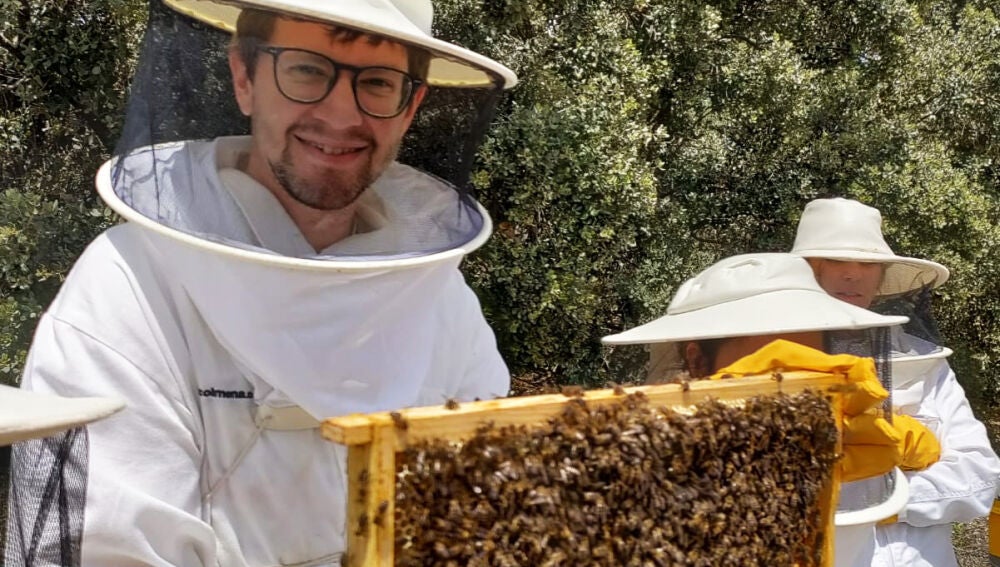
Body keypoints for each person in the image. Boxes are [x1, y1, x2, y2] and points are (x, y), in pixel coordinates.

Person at [6, 0, 516, 565]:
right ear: (244, 77)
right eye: (306, 69)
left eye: (377, 82)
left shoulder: (443, 300)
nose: (342, 115)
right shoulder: (128, 292)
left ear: (410, 105)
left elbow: (481, 516)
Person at [602, 252, 942, 567]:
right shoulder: (647, 457)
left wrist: (898, 447)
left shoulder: (856, 435)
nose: (789, 386)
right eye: (764, 366)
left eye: (809, 364)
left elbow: (929, 452)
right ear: (695, 359)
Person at [791, 196, 1000, 567]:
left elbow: (981, 477)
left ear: (882, 274)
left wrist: (890, 502)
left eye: (867, 263)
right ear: (805, 270)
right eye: (835, 260)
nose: (852, 273)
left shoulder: (926, 362)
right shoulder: (765, 364)